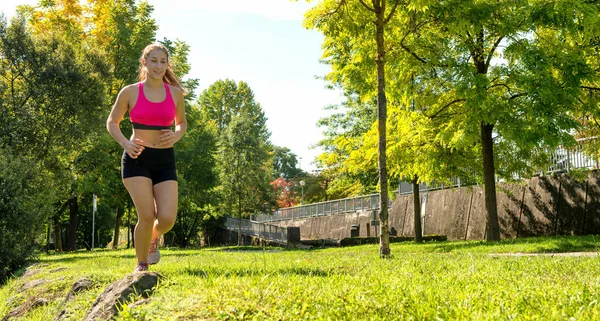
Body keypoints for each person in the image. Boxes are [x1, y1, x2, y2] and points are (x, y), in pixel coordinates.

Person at [106, 43, 187, 272]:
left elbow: (181, 123)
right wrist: (125, 142)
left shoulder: (175, 93)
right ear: (144, 62)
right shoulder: (130, 92)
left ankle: (153, 237)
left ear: (167, 64)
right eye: (154, 61)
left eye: (163, 61)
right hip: (136, 157)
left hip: (164, 160)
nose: (158, 66)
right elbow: (112, 122)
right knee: (147, 214)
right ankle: (141, 264)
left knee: (168, 218)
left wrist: (176, 135)